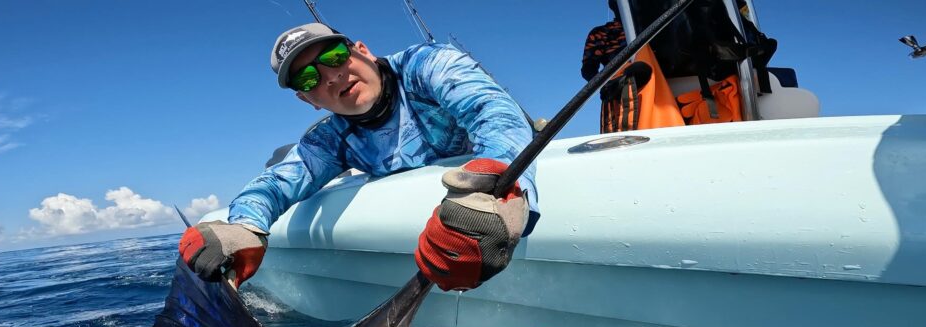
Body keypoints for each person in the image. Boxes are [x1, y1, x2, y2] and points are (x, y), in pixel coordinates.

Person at [179, 23, 538, 292]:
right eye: (309, 79)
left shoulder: (426, 65)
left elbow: (493, 114)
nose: (332, 77)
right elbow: (275, 184)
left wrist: (497, 190)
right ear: (308, 100)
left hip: (486, 205)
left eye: (334, 57)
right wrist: (244, 226)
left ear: (363, 51)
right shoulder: (330, 139)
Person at [581, 0, 628, 133]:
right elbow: (588, 71)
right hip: (617, 99)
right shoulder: (600, 33)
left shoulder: (655, 25)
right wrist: (609, 84)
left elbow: (588, 70)